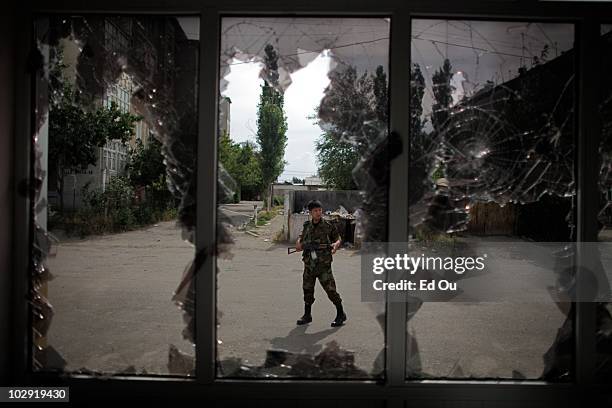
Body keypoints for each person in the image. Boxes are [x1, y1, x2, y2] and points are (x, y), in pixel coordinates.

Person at [295, 200, 346, 327]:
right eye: (315, 211)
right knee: (307, 290)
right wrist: (298, 242)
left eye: (320, 210)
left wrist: (335, 245)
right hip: (309, 264)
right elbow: (301, 237)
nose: (318, 213)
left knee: (331, 290)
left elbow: (338, 238)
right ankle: (307, 315)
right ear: (310, 212)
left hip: (323, 265)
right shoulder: (307, 225)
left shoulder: (328, 225)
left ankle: (341, 314)